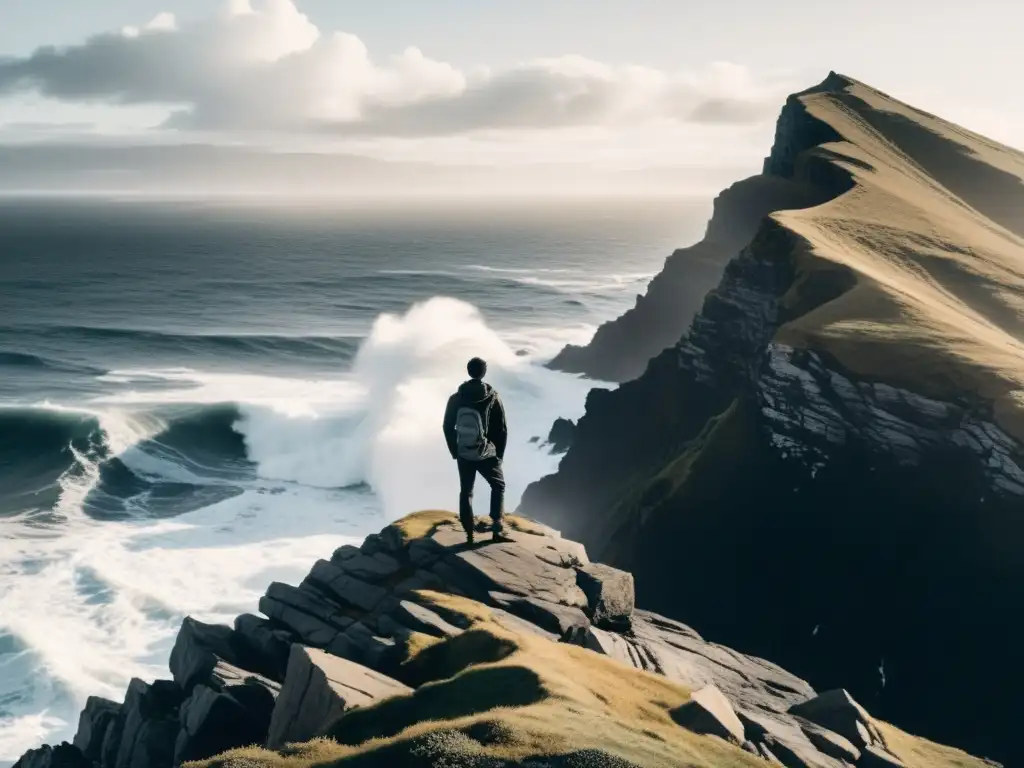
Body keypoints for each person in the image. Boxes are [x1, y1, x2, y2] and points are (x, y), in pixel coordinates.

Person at [442, 357, 508, 544]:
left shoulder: (456, 398)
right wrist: (498, 455)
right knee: (498, 485)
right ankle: (497, 528)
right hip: (486, 453)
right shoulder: (492, 396)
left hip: (464, 452)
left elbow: (447, 426)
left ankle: (469, 534)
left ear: (469, 371)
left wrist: (455, 451)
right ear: (484, 372)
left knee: (466, 491)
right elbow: (501, 429)